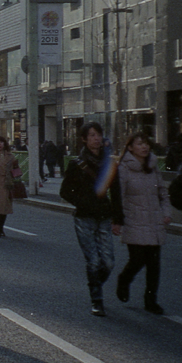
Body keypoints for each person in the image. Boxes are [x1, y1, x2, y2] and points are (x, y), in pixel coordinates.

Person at [60, 121, 121, 317]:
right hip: (84, 217)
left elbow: (116, 192)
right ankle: (97, 298)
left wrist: (118, 218)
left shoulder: (110, 164)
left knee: (109, 262)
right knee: (93, 261)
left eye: (98, 135)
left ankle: (95, 283)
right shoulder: (76, 164)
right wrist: (83, 202)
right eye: (92, 135)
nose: (96, 139)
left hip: (104, 216)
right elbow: (65, 191)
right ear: (84, 139)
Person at [114, 132, 171, 315]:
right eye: (139, 144)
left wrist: (166, 213)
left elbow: (163, 193)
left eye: (146, 143)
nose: (144, 147)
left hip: (154, 220)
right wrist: (118, 220)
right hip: (134, 219)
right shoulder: (123, 168)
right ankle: (124, 280)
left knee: (154, 264)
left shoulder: (153, 166)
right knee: (138, 259)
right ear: (130, 148)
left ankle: (150, 300)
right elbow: (118, 197)